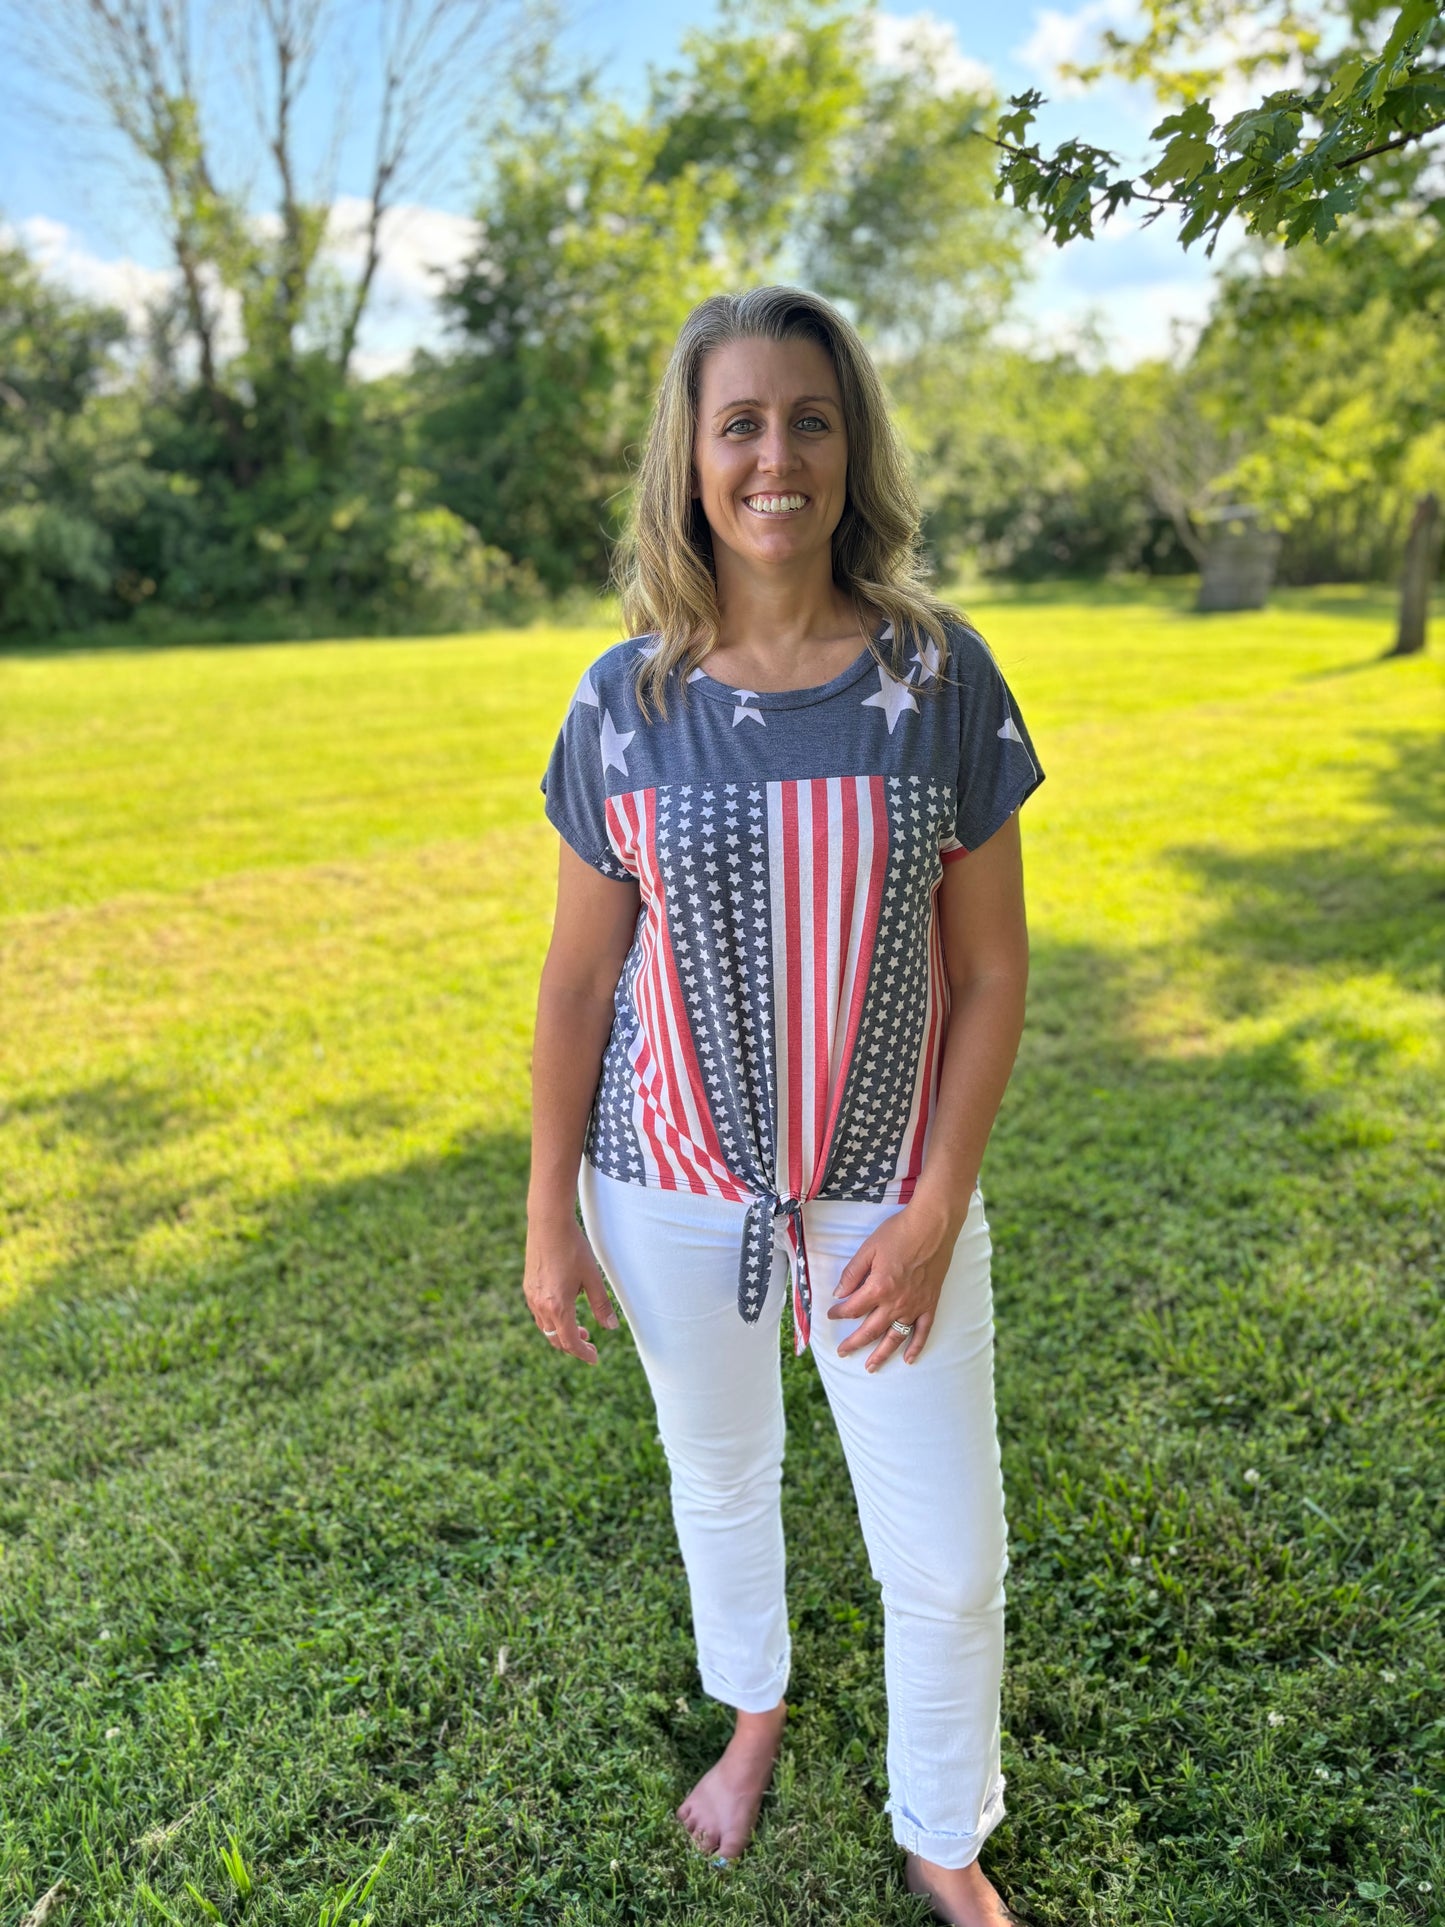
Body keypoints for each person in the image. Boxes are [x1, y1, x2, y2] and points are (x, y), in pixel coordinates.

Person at [523, 285, 1045, 1927]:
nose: (774, 456)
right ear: (688, 456)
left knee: (948, 1556)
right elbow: (578, 988)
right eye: (738, 421)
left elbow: (987, 974)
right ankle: (753, 1713)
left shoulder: (938, 674)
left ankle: (939, 1832)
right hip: (670, 1183)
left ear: (850, 444)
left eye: (808, 419)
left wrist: (936, 1203)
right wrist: (550, 1213)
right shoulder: (625, 700)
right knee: (721, 1472)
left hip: (889, 1192)